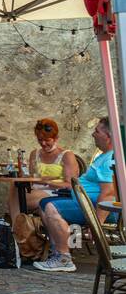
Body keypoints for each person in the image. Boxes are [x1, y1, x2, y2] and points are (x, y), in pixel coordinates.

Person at [34, 117, 117, 274]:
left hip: (95, 207)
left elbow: (108, 193)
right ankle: (58, 253)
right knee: (44, 204)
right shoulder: (104, 155)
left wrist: (96, 224)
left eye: (97, 131)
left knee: (51, 207)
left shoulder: (110, 159)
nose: (93, 134)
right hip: (82, 201)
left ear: (108, 136)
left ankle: (64, 259)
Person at [6, 118, 77, 225]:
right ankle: (20, 227)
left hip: (56, 192)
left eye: (47, 140)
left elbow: (70, 185)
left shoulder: (67, 155)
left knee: (16, 202)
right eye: (40, 140)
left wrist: (47, 182)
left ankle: (17, 228)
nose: (43, 143)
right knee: (14, 185)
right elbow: (31, 178)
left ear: (56, 138)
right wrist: (25, 175)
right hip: (35, 190)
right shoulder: (34, 154)